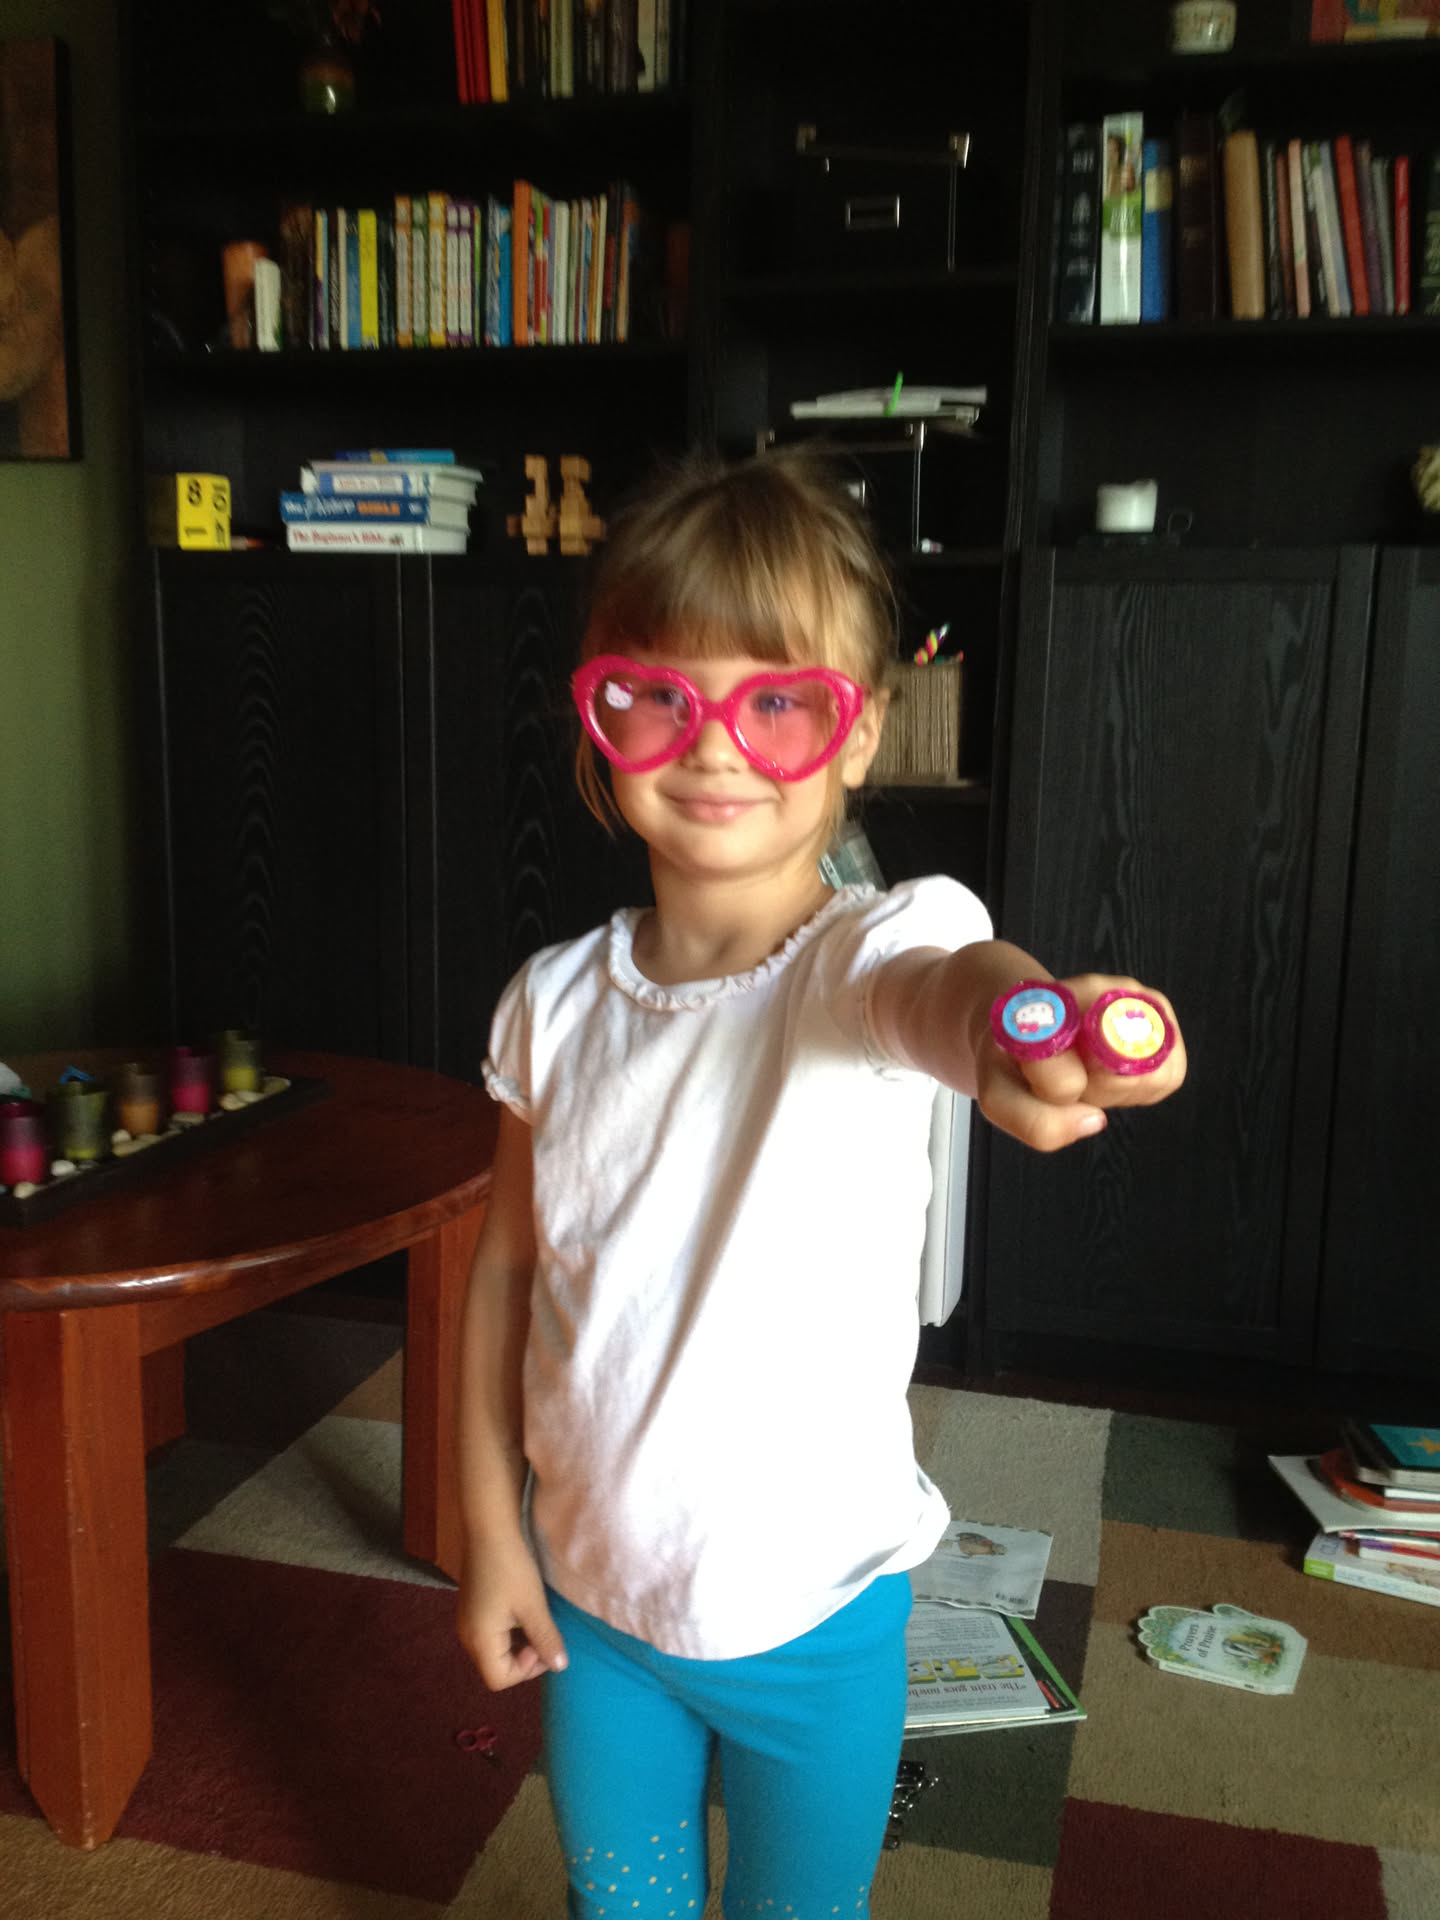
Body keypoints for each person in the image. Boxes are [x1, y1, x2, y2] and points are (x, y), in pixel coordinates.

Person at [455, 448, 1185, 1919]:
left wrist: (1026, 1030)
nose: (716, 745)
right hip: (595, 1604)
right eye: (660, 695)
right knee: (622, 1905)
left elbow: (950, 983)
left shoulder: (863, 954)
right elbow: (507, 1269)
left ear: (861, 737)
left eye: (778, 702)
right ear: (600, 715)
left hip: (818, 1628)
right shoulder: (550, 1002)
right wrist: (488, 1534)